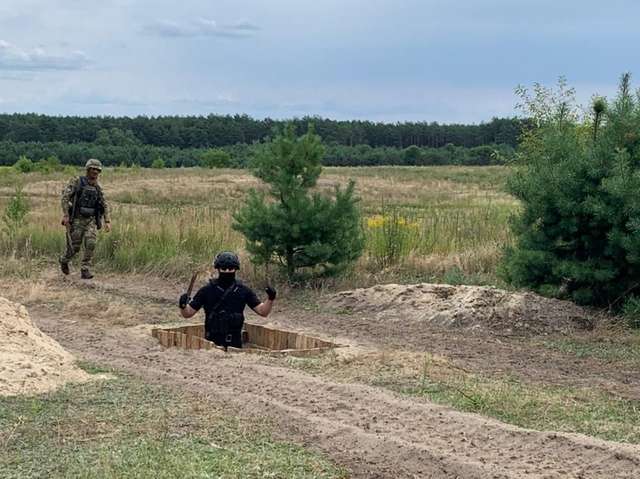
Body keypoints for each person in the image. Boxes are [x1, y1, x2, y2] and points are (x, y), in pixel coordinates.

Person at [178, 251, 276, 349]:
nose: (227, 271)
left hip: (235, 344)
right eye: (224, 268)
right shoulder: (207, 290)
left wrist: (270, 298)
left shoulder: (243, 290)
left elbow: (263, 311)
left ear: (236, 269)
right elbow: (188, 313)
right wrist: (182, 305)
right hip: (211, 345)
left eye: (231, 268)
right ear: (218, 269)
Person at [59, 158, 111, 279]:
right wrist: (66, 215)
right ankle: (64, 260)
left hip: (91, 220)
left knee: (91, 243)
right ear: (88, 169)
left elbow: (104, 204)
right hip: (77, 219)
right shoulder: (77, 181)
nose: (95, 172)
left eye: (97, 170)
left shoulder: (98, 187)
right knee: (74, 248)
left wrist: (107, 221)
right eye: (93, 169)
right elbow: (65, 198)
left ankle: (85, 269)